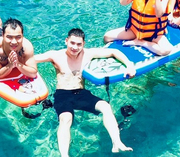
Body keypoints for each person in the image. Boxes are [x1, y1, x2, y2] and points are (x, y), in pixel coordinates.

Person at [35, 28, 134, 156]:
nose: (75, 47)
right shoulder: (56, 55)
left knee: (105, 106)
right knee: (66, 119)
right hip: (63, 94)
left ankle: (117, 142)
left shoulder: (88, 54)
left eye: (79, 44)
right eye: (72, 43)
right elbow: (30, 60)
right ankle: (64, 155)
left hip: (81, 93)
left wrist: (129, 65)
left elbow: (114, 52)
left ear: (83, 44)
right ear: (66, 41)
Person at [103, 0, 174, 55]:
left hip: (154, 34)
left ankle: (141, 43)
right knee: (107, 37)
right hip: (135, 30)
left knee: (166, 50)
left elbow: (159, 14)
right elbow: (123, 2)